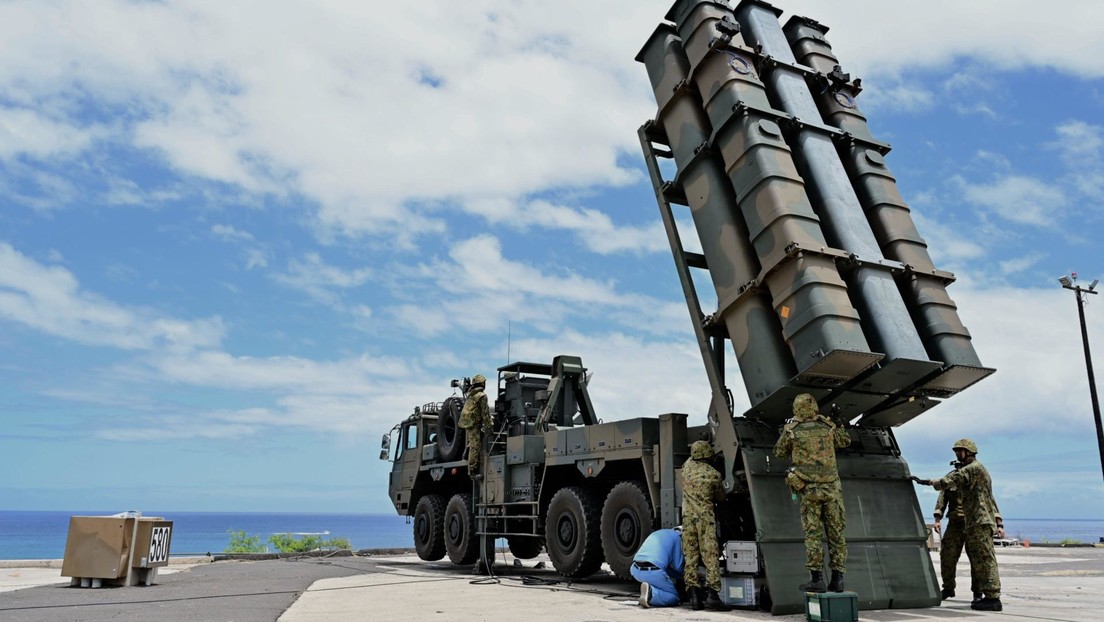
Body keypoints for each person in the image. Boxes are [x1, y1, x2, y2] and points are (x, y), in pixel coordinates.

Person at [914, 439, 1003, 612]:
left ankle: (991, 597)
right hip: (971, 522)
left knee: (983, 559)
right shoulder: (976, 470)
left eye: (959, 451)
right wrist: (937, 517)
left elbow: (947, 482)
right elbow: (944, 497)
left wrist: (927, 481)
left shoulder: (972, 469)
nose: (956, 455)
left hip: (978, 521)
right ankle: (970, 592)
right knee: (972, 557)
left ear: (967, 452)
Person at [773, 393, 850, 593]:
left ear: (796, 409)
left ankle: (817, 580)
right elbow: (844, 442)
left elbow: (779, 453)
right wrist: (838, 422)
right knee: (836, 534)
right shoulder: (828, 426)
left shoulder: (792, 430)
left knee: (813, 534)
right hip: (832, 489)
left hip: (809, 490)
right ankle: (838, 580)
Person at [933, 462, 1004, 602]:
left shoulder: (977, 478)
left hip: (974, 522)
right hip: (955, 523)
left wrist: (999, 523)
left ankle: (978, 592)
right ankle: (948, 588)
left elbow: (989, 501)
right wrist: (937, 518)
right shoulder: (951, 478)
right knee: (947, 555)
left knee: (977, 558)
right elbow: (942, 499)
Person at [680, 440, 730, 611]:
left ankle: (694, 596)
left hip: (687, 520)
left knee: (691, 556)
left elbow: (689, 460)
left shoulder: (686, 469)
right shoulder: (714, 474)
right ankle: (713, 597)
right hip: (705, 521)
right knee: (710, 557)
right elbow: (721, 497)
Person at [631, 528, 684, 608]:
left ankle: (649, 590)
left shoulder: (658, 533)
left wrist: (676, 576)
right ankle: (651, 594)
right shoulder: (677, 538)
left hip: (635, 570)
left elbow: (664, 567)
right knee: (674, 597)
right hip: (652, 572)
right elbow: (678, 567)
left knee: (659, 579)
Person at [458, 374, 491, 479]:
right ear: (481, 383)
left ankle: (465, 454)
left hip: (468, 421)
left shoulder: (471, 394)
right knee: (475, 446)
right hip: (474, 422)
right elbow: (485, 414)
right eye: (484, 382)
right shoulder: (481, 396)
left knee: (473, 439)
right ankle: (472, 470)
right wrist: (490, 427)